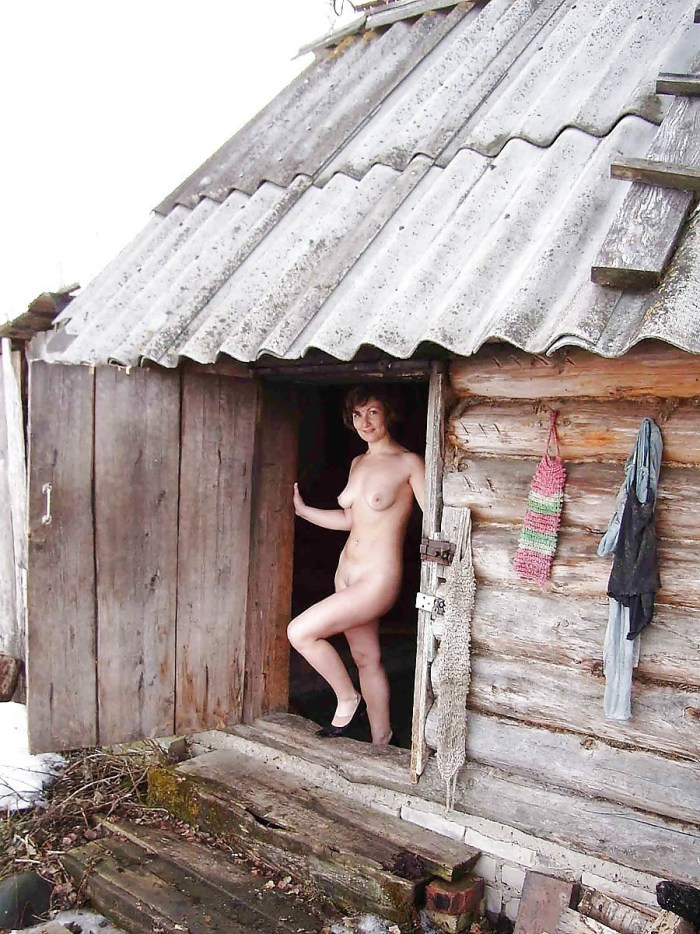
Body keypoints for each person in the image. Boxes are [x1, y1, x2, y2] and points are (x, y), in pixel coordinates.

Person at [288, 386, 425, 746]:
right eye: (357, 414)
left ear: (388, 415)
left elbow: (437, 517)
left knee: (300, 632)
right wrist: (304, 512)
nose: (365, 422)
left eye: (373, 413)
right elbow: (352, 520)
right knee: (366, 658)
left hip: (377, 579)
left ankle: (348, 699)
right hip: (347, 573)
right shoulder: (358, 462)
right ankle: (382, 740)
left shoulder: (409, 463)